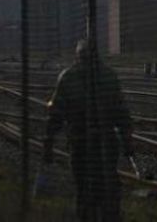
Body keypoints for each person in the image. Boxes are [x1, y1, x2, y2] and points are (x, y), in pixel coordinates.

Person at [43, 39, 133, 221]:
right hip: (106, 142)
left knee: (83, 188)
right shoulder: (109, 77)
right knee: (108, 186)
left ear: (78, 57)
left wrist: (49, 142)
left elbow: (56, 115)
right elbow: (121, 113)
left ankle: (86, 215)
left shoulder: (68, 77)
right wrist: (127, 141)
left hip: (79, 141)